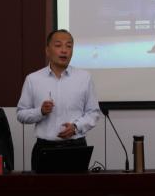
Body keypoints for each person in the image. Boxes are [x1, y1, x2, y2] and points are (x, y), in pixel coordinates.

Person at [17, 29, 101, 171]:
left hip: (76, 148)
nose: (64, 50)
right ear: (47, 51)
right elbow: (21, 114)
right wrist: (40, 112)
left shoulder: (84, 78)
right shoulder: (33, 79)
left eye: (69, 46)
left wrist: (76, 127)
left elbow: (93, 113)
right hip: (44, 149)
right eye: (58, 45)